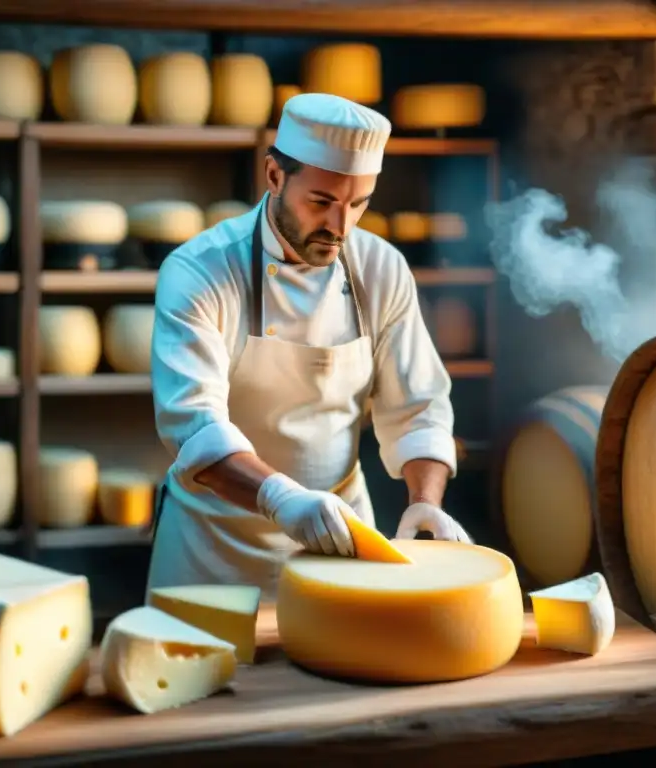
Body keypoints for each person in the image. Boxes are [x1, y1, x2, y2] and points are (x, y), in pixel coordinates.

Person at [146, 92, 471, 599]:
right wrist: (282, 498)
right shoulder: (199, 272)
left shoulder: (381, 269)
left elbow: (419, 409)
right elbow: (195, 428)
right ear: (274, 176)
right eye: (321, 202)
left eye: (358, 205)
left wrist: (424, 501)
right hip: (212, 555)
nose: (340, 228)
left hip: (342, 546)